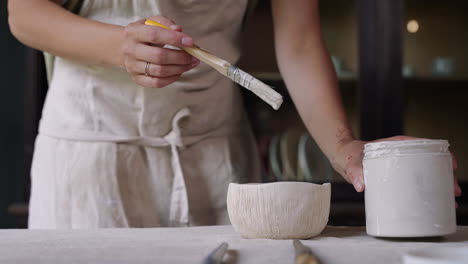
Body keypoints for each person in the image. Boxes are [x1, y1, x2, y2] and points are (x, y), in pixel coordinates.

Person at [8, 0, 461, 229]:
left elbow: (300, 41)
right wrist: (116, 46)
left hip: (217, 153)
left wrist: (344, 147)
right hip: (91, 154)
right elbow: (23, 12)